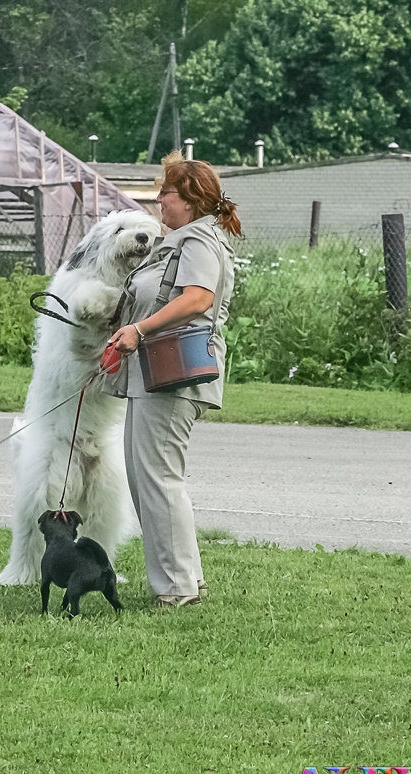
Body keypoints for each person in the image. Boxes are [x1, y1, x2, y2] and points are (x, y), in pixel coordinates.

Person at [106, 150, 241, 608]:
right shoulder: (184, 238)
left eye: (165, 192)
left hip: (174, 372)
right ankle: (186, 578)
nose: (158, 200)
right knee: (148, 477)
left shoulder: (199, 240)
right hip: (155, 371)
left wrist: (140, 329)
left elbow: (198, 298)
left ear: (189, 198)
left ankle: (177, 587)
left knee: (159, 478)